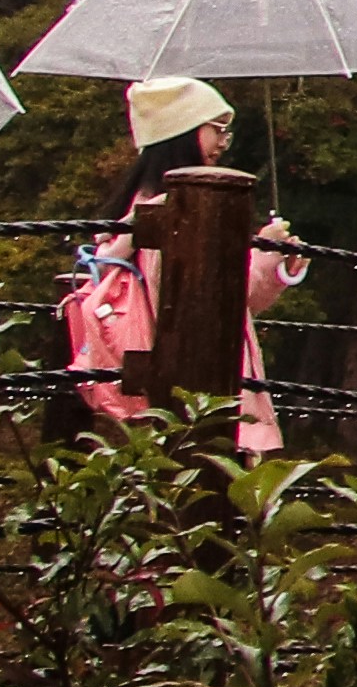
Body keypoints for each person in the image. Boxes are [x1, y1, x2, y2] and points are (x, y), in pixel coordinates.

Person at [59, 78, 309, 455]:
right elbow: (212, 304)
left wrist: (271, 259)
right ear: (183, 133)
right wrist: (266, 254)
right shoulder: (180, 212)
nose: (224, 142)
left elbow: (225, 301)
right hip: (206, 386)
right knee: (218, 486)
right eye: (217, 129)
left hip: (182, 380)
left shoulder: (141, 214)